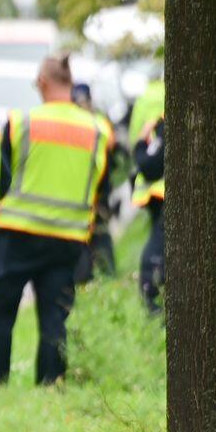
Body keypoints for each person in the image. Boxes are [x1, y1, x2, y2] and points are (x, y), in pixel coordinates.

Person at [0, 55, 113, 388]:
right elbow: (101, 187)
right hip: (68, 238)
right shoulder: (97, 130)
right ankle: (52, 384)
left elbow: (2, 179)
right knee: (55, 317)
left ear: (44, 82)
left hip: (17, 233)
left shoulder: (23, 123)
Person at [71, 82, 126, 283]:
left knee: (99, 239)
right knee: (85, 243)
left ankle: (104, 278)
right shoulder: (93, 124)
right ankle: (88, 280)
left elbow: (112, 155)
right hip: (85, 194)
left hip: (97, 194)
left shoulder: (98, 124)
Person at [133, 111, 165, 313]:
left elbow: (149, 166)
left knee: (153, 262)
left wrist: (140, 143)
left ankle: (155, 311)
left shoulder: (167, 126)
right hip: (162, 205)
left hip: (166, 203)